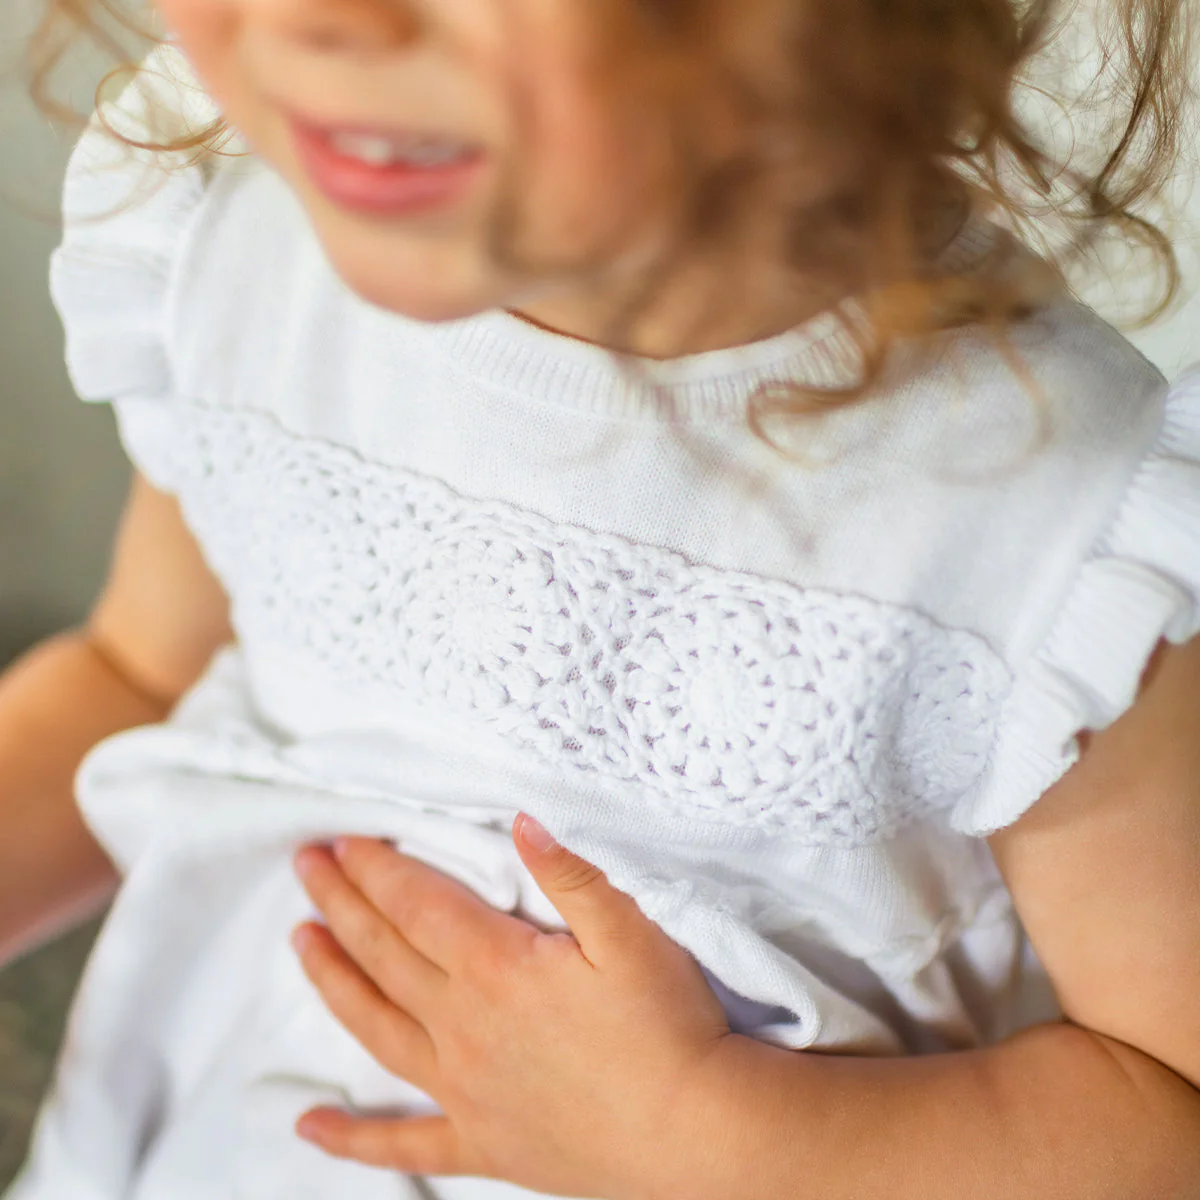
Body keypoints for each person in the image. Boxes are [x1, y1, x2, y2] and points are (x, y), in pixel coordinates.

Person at [3, 0, 1199, 1196]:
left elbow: (1167, 1109)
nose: (314, 21)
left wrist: (706, 1133)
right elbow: (138, 675)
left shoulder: (1050, 516)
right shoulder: (241, 234)